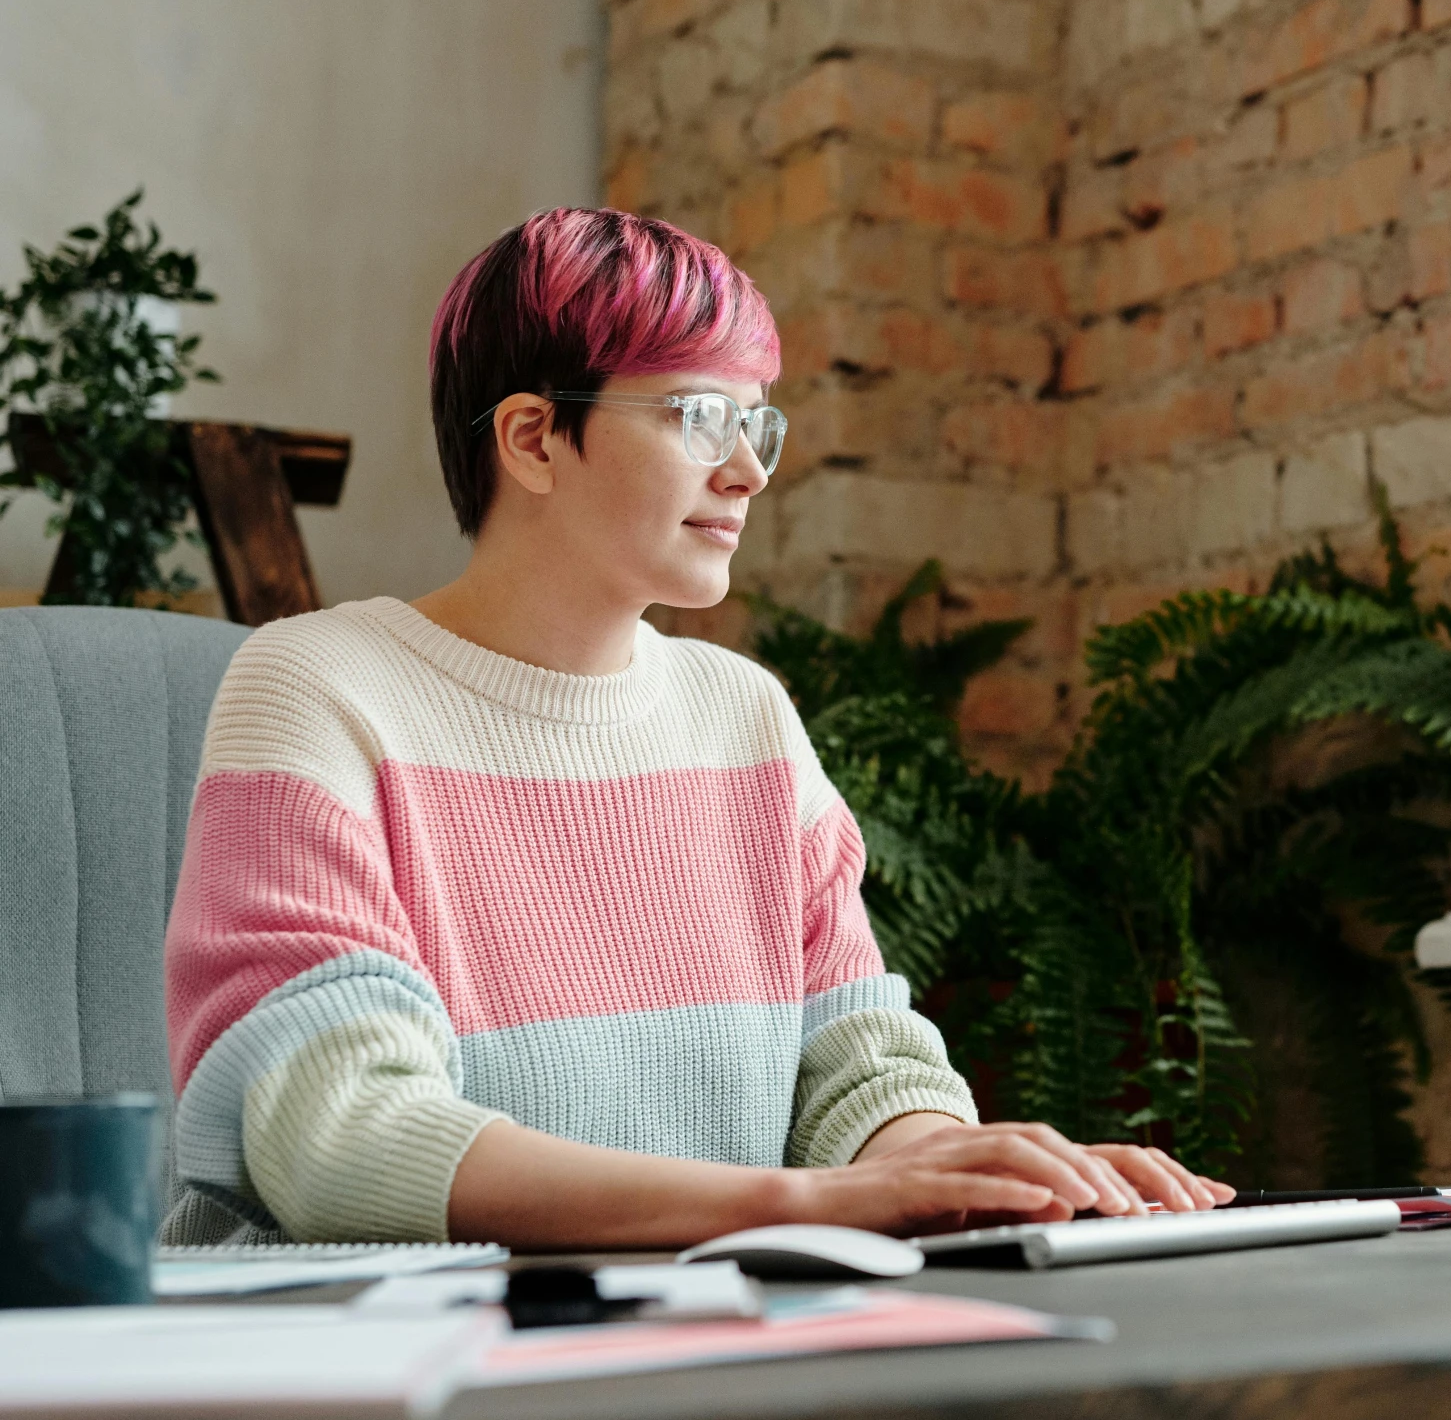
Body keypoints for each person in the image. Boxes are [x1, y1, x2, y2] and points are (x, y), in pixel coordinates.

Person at [160, 208, 1231, 1246]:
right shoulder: (317, 686)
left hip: (682, 1335)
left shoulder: (744, 716)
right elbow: (345, 1134)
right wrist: (799, 1207)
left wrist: (968, 1173)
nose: (749, 470)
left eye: (755, 421)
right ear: (533, 438)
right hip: (371, 1363)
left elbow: (856, 1068)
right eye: (697, 417)